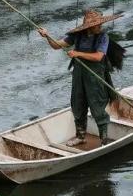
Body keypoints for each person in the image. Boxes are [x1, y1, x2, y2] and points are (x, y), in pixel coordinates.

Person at [37, 9, 122, 147]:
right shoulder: (77, 36)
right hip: (79, 75)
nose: (100, 26)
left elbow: (98, 56)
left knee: (97, 106)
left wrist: (77, 53)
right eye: (97, 25)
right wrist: (47, 36)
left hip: (95, 77)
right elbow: (57, 46)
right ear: (89, 26)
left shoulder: (102, 37)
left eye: (100, 24)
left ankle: (104, 139)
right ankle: (80, 136)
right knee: (78, 104)